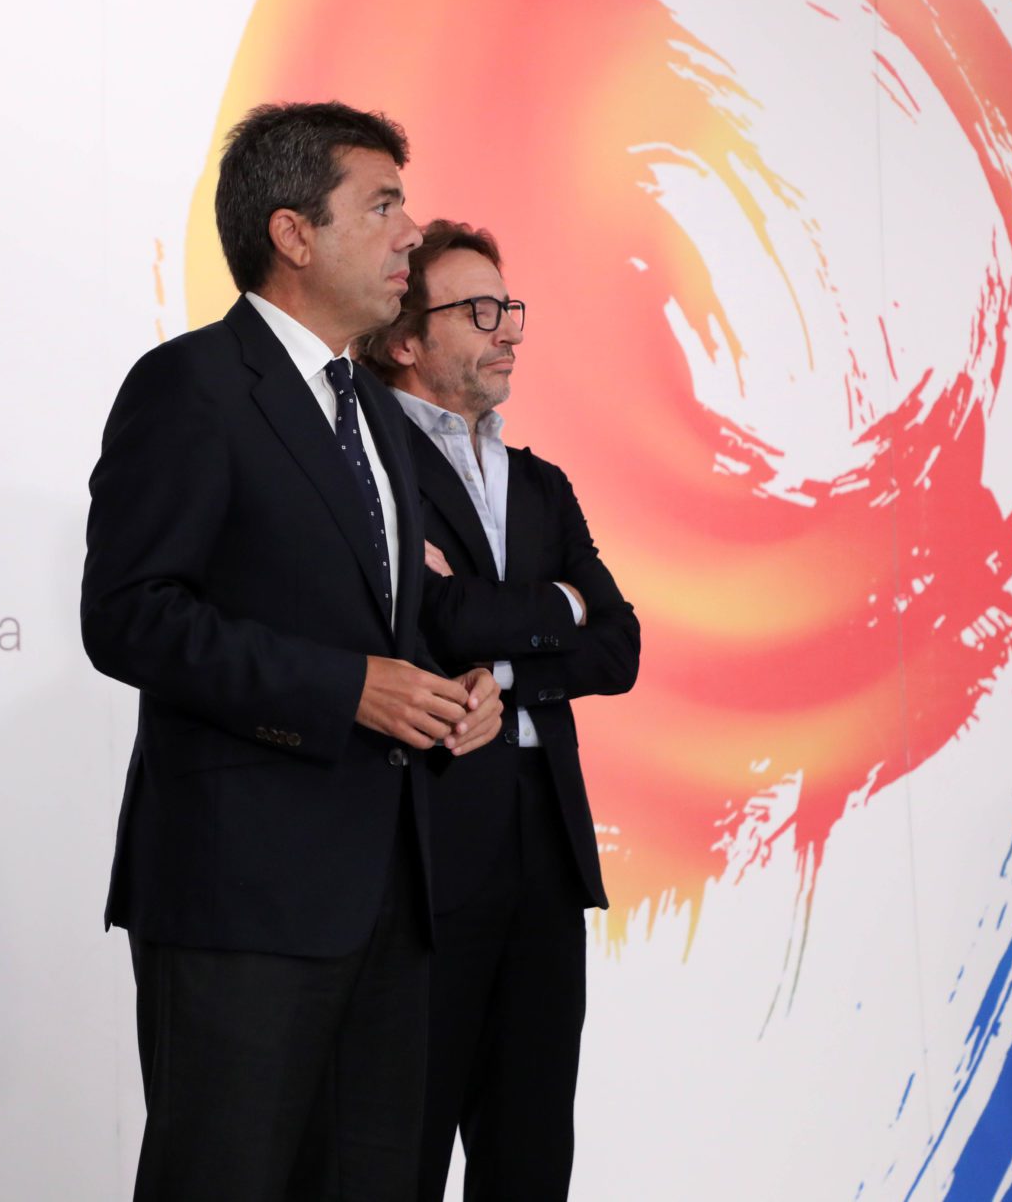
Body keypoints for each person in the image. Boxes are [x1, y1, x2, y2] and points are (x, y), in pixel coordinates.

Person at [82, 104, 574, 1202]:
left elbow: (384, 619)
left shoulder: (377, 416)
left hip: (393, 901)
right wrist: (347, 688)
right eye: (383, 204)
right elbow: (129, 614)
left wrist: (454, 692)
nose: (411, 232)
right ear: (294, 233)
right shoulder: (192, 385)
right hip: (241, 898)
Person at [357, 219, 641, 1202]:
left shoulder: (544, 484)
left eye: (508, 306)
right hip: (428, 841)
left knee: (530, 1152)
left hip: (544, 846)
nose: (508, 328)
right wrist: (557, 605)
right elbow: (434, 615)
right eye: (479, 310)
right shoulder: (371, 462)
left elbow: (619, 644)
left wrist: (511, 672)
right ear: (405, 338)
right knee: (403, 1146)